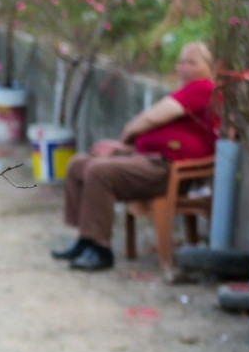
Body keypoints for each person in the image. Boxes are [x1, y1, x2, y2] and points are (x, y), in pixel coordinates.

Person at [53, 41, 219, 272]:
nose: (184, 67)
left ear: (209, 67)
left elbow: (152, 117)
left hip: (169, 169)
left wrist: (126, 134)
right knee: (79, 164)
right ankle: (86, 239)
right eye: (181, 62)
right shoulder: (186, 91)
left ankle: (101, 249)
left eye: (192, 62)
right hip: (149, 159)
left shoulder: (203, 87)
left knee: (99, 172)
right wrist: (123, 150)